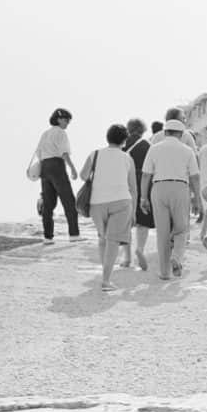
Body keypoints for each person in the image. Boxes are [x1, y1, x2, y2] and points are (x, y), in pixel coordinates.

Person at [139, 119, 202, 279]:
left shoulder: (154, 148)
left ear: (165, 132)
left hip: (158, 188)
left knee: (162, 232)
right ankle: (177, 257)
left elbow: (146, 174)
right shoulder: (187, 150)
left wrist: (143, 197)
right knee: (181, 229)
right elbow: (195, 177)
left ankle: (164, 272)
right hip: (180, 188)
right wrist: (197, 199)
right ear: (181, 134)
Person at [80, 125, 137, 292]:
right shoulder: (127, 158)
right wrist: (133, 212)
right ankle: (106, 280)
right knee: (113, 241)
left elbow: (83, 176)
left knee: (103, 238)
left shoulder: (95, 154)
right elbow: (133, 188)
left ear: (108, 137)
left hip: (97, 202)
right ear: (124, 141)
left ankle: (105, 275)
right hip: (121, 201)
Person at [34, 108, 82, 244]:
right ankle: (74, 234)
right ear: (59, 119)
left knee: (48, 204)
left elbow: (38, 153)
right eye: (66, 120)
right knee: (69, 200)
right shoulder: (60, 133)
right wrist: (72, 168)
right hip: (56, 165)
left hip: (44, 167)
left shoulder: (45, 133)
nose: (68, 123)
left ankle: (48, 237)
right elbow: (64, 153)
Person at [120, 118, 154, 270]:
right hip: (142, 182)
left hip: (124, 182)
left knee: (126, 221)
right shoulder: (147, 145)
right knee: (143, 220)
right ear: (143, 130)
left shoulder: (121, 143)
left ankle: (126, 258)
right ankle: (139, 249)